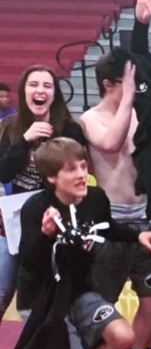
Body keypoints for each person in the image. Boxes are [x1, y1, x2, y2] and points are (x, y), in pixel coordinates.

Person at [3, 137, 151, 349]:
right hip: (43, 298)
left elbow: (108, 227)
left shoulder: (95, 198)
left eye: (83, 166)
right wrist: (44, 235)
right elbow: (30, 264)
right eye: (71, 170)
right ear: (52, 177)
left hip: (79, 291)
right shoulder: (37, 208)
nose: (82, 174)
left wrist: (137, 237)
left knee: (122, 336)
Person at [78, 49, 151, 349]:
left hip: (143, 218)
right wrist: (130, 101)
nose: (135, 88)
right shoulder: (90, 118)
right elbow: (111, 143)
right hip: (111, 221)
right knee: (103, 302)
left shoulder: (133, 112)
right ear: (109, 84)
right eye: (128, 80)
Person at [0, 65, 86, 326]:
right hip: (11, 228)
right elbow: (3, 173)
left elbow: (78, 176)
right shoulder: (8, 128)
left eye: (47, 86)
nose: (40, 90)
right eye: (33, 85)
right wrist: (24, 140)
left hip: (53, 228)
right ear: (24, 91)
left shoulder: (70, 130)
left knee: (45, 306)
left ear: (55, 94)